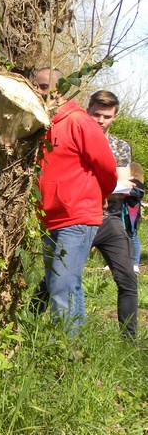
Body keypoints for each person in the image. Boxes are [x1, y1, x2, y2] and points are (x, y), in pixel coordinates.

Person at [32, 69, 117, 332]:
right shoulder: (40, 121)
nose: (39, 92)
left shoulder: (80, 121)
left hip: (76, 216)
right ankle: (75, 351)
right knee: (66, 284)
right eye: (37, 86)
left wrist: (89, 197)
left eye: (45, 86)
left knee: (61, 285)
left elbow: (108, 170)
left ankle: (62, 353)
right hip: (49, 216)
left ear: (60, 89)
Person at [86, 90, 139, 337]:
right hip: (79, 219)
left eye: (106, 116)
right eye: (96, 114)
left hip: (110, 221)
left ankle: (128, 341)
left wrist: (98, 187)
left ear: (115, 117)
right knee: (57, 279)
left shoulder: (119, 147)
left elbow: (123, 187)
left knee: (128, 279)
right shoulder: (76, 141)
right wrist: (107, 187)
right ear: (88, 111)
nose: (100, 120)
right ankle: (30, 322)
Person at [123, 162, 144, 273]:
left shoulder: (137, 183)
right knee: (120, 235)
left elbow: (137, 193)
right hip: (122, 211)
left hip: (132, 213)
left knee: (133, 235)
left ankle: (135, 263)